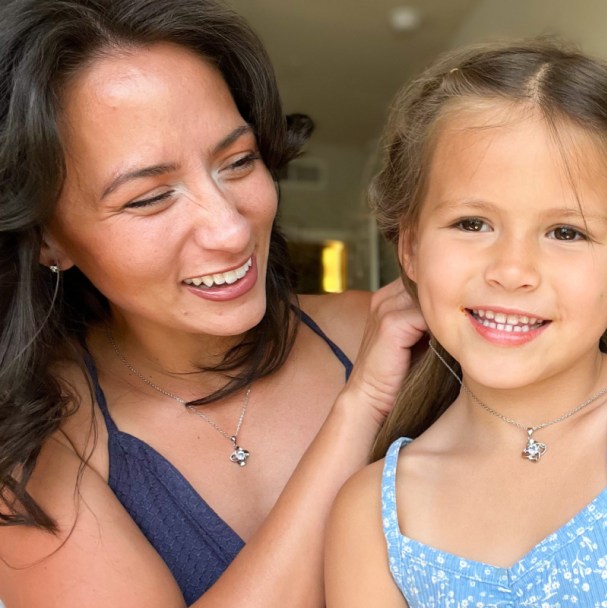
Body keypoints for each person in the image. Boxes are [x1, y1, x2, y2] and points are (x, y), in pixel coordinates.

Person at [0, 0, 425, 606]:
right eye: (149, 198)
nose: (229, 228)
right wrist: (360, 410)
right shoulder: (37, 446)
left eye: (238, 161)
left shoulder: (383, 333)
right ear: (48, 236)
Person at [325, 39, 607, 607]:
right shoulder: (372, 512)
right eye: (471, 223)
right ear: (410, 248)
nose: (512, 271)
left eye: (566, 232)